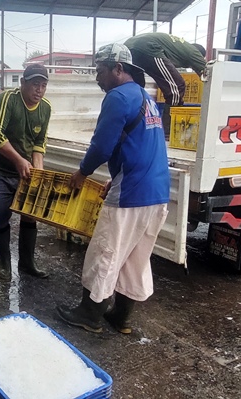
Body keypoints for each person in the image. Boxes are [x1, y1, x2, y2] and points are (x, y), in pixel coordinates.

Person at [57, 43, 170, 334]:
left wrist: (82, 173)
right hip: (157, 192)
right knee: (135, 257)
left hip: (132, 192)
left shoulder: (118, 97)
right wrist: (115, 177)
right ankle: (121, 317)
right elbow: (140, 144)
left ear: (118, 69)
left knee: (105, 251)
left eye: (101, 71)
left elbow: (101, 146)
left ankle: (90, 314)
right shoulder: (144, 97)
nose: (97, 78)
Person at [0, 63, 52, 281]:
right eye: (35, 84)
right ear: (22, 83)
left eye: (43, 85)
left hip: (25, 171)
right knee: (2, 214)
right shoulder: (6, 100)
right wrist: (19, 160)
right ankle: (5, 260)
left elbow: (39, 142)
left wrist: (38, 171)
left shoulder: (45, 108)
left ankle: (27, 262)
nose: (39, 90)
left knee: (30, 214)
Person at [124, 32, 207, 138]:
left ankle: (130, 126)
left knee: (136, 87)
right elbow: (208, 73)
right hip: (148, 47)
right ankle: (167, 131)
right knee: (177, 86)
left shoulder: (179, 47)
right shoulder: (194, 52)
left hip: (129, 47)